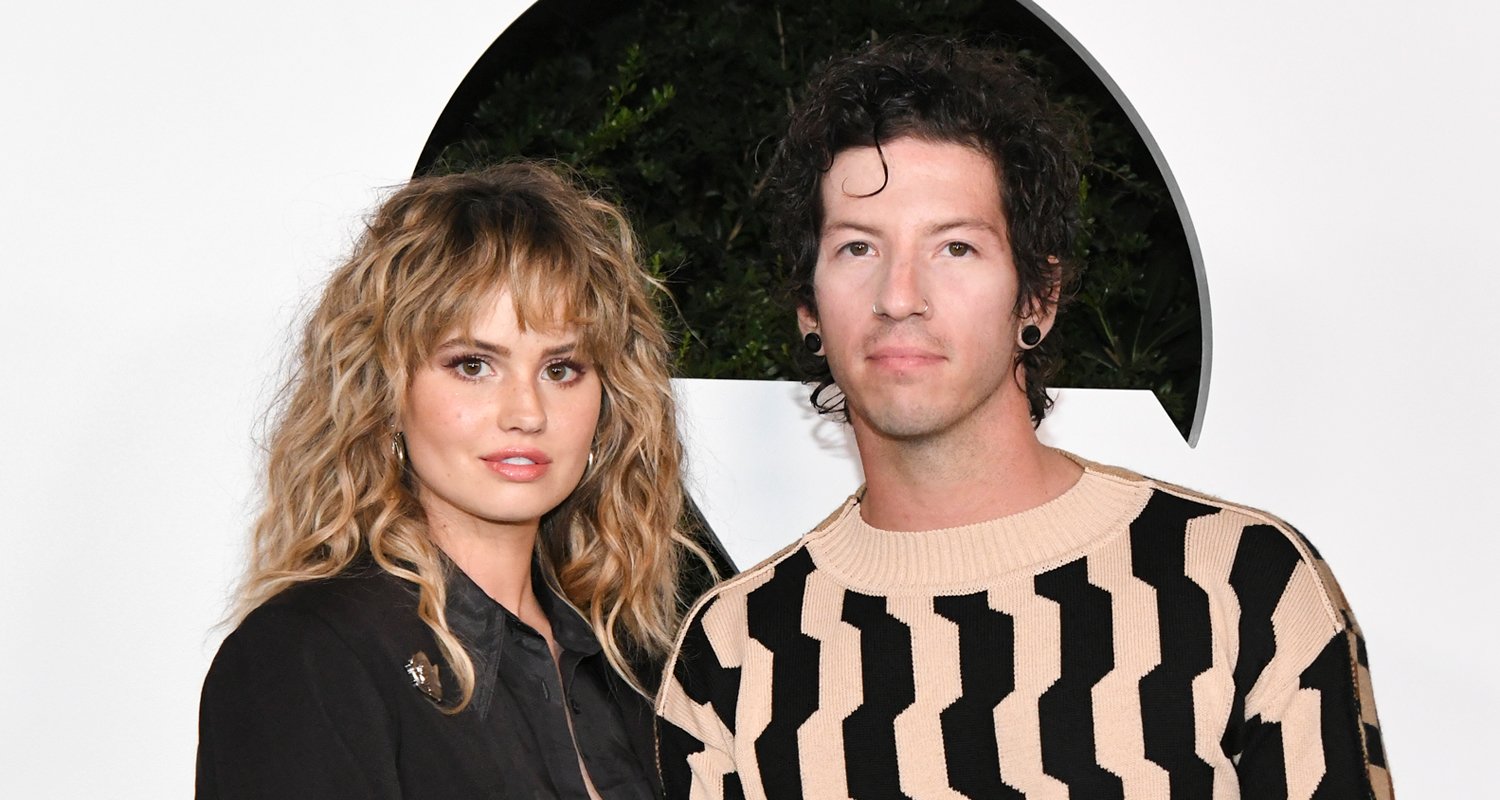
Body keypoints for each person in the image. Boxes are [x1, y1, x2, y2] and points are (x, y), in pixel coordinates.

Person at [656, 37, 1393, 799]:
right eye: (857, 248)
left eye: (955, 248)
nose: (899, 295)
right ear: (809, 309)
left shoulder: (1241, 585)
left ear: (1038, 299)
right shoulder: (734, 655)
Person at [197, 161, 716, 798]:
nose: (527, 412)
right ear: (386, 392)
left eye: (560, 370)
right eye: (473, 365)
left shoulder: (643, 665)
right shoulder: (306, 657)